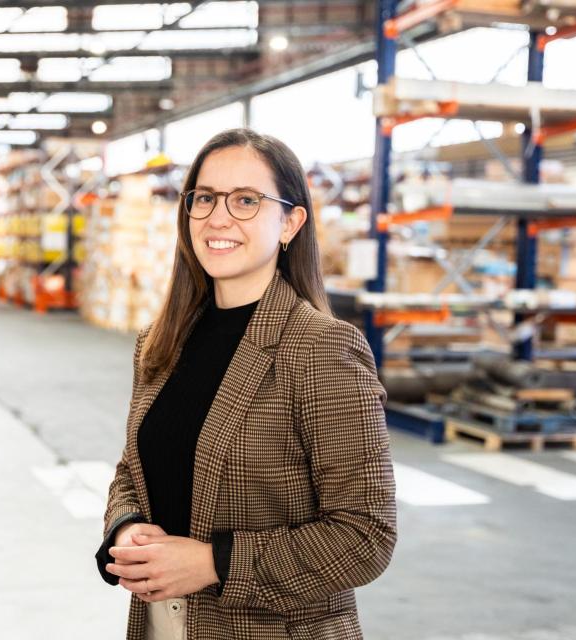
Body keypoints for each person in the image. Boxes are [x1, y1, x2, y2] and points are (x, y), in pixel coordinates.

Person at [95, 128, 397, 640]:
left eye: (246, 201)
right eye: (206, 198)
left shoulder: (321, 349)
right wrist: (124, 527)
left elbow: (367, 534)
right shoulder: (161, 341)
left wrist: (214, 563)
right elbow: (133, 467)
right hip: (160, 624)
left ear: (290, 222)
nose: (218, 218)